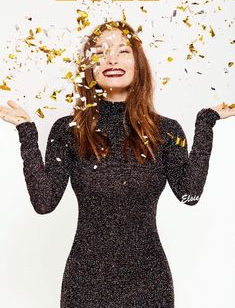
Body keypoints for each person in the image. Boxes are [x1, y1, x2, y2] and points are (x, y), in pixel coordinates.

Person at [0, 20, 234, 308]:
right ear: (90, 67)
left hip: (149, 284)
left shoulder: (167, 132)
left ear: (139, 63)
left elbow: (190, 195)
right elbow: (44, 202)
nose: (111, 58)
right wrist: (26, 132)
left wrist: (205, 125)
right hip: (85, 285)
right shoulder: (68, 130)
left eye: (123, 50)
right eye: (100, 51)